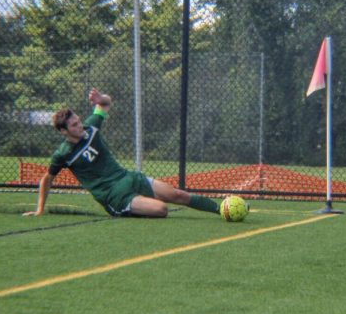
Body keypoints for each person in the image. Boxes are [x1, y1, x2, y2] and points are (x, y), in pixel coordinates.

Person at [23, 88, 222, 218]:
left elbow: (105, 104)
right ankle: (131, 207)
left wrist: (101, 99)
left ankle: (222, 209)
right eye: (74, 125)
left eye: (78, 120)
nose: (80, 125)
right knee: (161, 209)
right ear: (63, 131)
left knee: (177, 194)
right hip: (113, 196)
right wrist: (40, 209)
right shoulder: (62, 154)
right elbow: (47, 179)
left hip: (127, 178)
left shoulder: (91, 127)